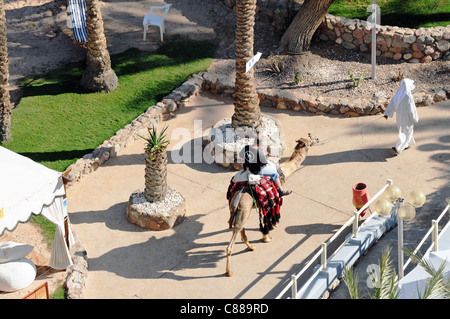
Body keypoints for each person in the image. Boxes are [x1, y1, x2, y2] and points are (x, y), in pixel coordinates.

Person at [383, 78, 419, 155]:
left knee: (404, 131)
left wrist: (387, 113)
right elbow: (411, 110)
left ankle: (407, 145)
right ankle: (398, 147)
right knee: (407, 131)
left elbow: (392, 104)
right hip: (407, 118)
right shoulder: (408, 96)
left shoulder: (398, 93)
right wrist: (415, 118)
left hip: (399, 117)